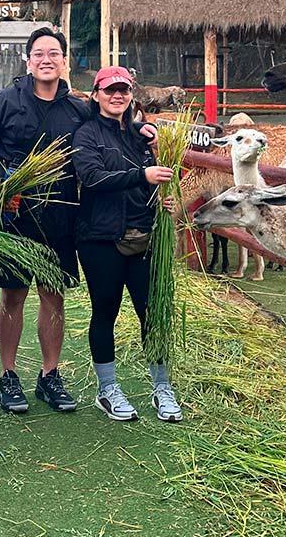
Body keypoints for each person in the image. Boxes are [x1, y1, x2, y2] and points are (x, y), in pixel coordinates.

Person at [0, 28, 157, 414]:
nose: (46, 59)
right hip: (15, 211)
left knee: (52, 293)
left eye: (54, 53)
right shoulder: (6, 102)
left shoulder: (78, 107)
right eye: (39, 53)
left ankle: (50, 375)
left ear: (64, 61)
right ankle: (8, 375)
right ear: (27, 61)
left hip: (62, 211)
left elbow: (111, 121)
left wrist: (141, 129)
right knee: (13, 294)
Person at [71, 66, 183, 423]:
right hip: (101, 237)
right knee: (106, 311)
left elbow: (152, 181)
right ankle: (107, 389)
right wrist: (141, 175)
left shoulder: (140, 136)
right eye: (109, 90)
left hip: (145, 235)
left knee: (153, 312)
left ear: (131, 95)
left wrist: (160, 198)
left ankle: (162, 387)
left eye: (123, 90)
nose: (117, 96)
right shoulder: (87, 134)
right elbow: (92, 178)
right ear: (96, 95)